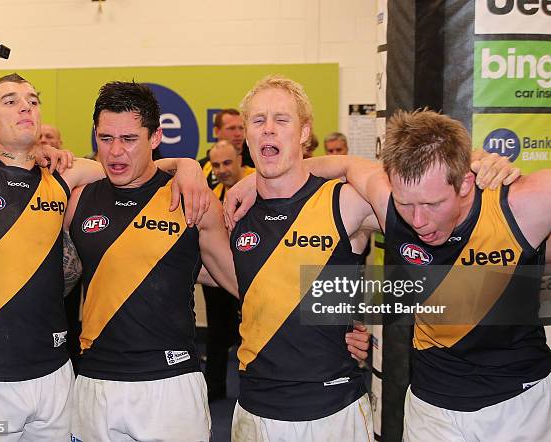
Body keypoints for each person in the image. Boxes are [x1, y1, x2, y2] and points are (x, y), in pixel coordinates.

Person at [227, 109, 549, 441]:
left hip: (521, 400)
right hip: (432, 405)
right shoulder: (388, 203)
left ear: (465, 182)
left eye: (432, 203)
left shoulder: (524, 203)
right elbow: (346, 165)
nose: (418, 220)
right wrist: (261, 179)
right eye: (406, 204)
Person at [0, 73, 208, 440]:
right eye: (10, 100)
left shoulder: (67, 174)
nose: (26, 106)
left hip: (56, 375)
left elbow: (134, 169)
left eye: (33, 100)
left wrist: (186, 166)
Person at [63, 81, 240, 441]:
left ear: (155, 137)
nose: (115, 152)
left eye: (129, 139)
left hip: (171, 386)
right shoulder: (77, 201)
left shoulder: (192, 200)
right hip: (95, 381)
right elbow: (45, 279)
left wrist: (337, 322)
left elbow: (248, 282)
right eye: (105, 138)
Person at [228, 75, 377, 441]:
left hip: (334, 408)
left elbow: (415, 209)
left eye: (282, 120)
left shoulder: (343, 201)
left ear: (304, 131)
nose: (268, 130)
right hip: (255, 410)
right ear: (246, 134)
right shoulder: (232, 212)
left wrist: (365, 316)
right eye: (258, 121)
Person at [203, 140, 254, 401]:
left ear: (239, 159)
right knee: (216, 332)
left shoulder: (260, 184)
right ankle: (214, 388)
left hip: (255, 275)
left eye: (226, 163)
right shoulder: (211, 192)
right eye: (215, 165)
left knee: (253, 332)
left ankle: (255, 391)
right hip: (219, 271)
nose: (222, 170)